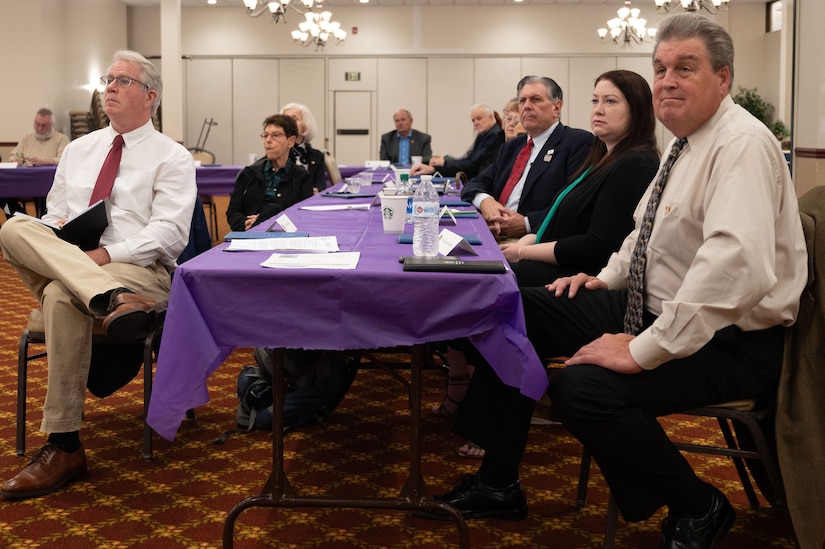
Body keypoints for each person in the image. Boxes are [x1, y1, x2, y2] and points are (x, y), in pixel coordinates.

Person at [424, 15, 807, 549]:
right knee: (510, 308)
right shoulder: (686, 142)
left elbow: (733, 267)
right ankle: (498, 483)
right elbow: (641, 236)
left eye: (685, 67)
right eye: (660, 68)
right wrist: (603, 280)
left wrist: (646, 349)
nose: (668, 79)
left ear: (723, 78)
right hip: (652, 305)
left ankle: (700, 505)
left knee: (582, 389)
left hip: (730, 338)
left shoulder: (739, 144)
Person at [0, 50, 197, 499]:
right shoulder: (77, 150)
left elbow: (169, 236)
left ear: (150, 97)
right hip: (93, 273)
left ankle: (64, 445)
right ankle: (109, 299)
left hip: (141, 272)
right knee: (15, 228)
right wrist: (58, 237)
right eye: (107, 78)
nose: (108, 86)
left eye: (121, 80)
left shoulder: (172, 157)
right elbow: (54, 216)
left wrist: (106, 256)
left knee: (59, 297)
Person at [436, 69, 660, 459]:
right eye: (595, 100)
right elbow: (563, 215)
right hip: (556, 255)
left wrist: (523, 247)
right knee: (482, 280)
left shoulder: (631, 162)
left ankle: (488, 439)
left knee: (502, 295)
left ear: (637, 109)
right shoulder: (605, 155)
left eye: (611, 102)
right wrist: (526, 239)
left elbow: (597, 244)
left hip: (598, 279)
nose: (598, 110)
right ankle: (486, 436)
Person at [460, 77, 594, 241]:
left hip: (533, 240)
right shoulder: (512, 147)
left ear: (556, 107)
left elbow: (573, 205)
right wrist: (487, 202)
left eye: (536, 100)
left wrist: (526, 223)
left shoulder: (576, 142)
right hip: (493, 232)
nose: (527, 106)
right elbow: (474, 184)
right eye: (522, 100)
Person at [226, 114, 313, 232]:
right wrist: (247, 224)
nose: (268, 140)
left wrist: (263, 220)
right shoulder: (249, 173)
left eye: (275, 135)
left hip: (285, 238)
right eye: (265, 135)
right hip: (248, 235)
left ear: (291, 141)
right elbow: (233, 212)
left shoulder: (302, 177)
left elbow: (303, 216)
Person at [2, 107, 70, 217]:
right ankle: (19, 218)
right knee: (4, 194)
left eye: (44, 126)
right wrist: (15, 159)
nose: (39, 128)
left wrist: (44, 161)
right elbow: (14, 154)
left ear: (52, 125)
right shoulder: (28, 138)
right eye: (37, 124)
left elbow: (64, 160)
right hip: (23, 182)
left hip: (49, 184)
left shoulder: (62, 139)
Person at [411, 104, 503, 179]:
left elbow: (471, 166)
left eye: (479, 118)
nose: (475, 123)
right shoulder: (483, 135)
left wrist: (442, 164)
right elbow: (467, 160)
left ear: (491, 117)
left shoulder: (495, 136)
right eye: (473, 120)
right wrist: (441, 163)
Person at [280, 102, 328, 194]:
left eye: (294, 119)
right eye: (285, 119)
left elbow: (321, 184)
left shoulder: (317, 155)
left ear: (306, 124)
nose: (289, 123)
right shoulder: (279, 153)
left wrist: (316, 190)